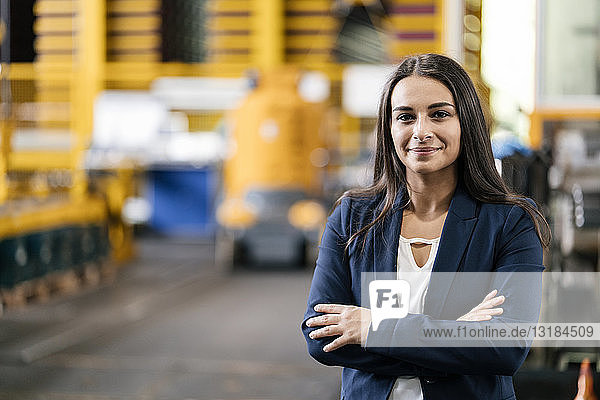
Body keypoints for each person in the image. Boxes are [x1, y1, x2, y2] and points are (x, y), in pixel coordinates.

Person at [301, 53, 550, 400]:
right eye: (405, 117)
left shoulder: (511, 222)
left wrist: (373, 327)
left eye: (439, 114)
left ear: (466, 122)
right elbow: (322, 337)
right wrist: (455, 335)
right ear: (389, 128)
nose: (421, 131)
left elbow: (505, 348)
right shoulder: (352, 216)